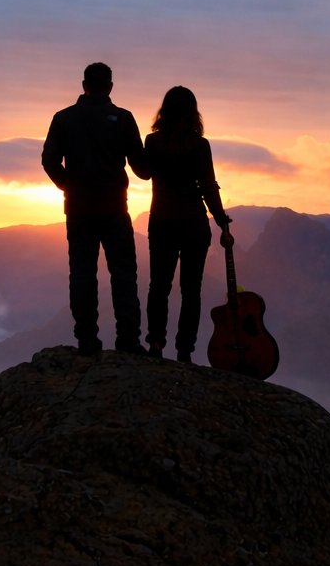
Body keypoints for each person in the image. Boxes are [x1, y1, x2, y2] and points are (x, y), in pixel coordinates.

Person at [41, 62, 149, 355]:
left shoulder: (63, 118)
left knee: (82, 272)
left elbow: (49, 160)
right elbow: (142, 168)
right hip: (115, 208)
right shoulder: (123, 118)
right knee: (123, 273)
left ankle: (87, 340)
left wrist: (68, 186)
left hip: (78, 210)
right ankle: (128, 340)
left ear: (83, 85)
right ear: (110, 86)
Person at [142, 85, 232, 363]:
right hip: (194, 222)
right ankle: (184, 350)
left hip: (162, 221)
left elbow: (144, 173)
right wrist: (221, 220)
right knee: (191, 290)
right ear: (193, 112)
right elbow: (208, 186)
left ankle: (156, 342)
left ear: (164, 110)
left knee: (159, 286)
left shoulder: (153, 142)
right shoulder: (199, 145)